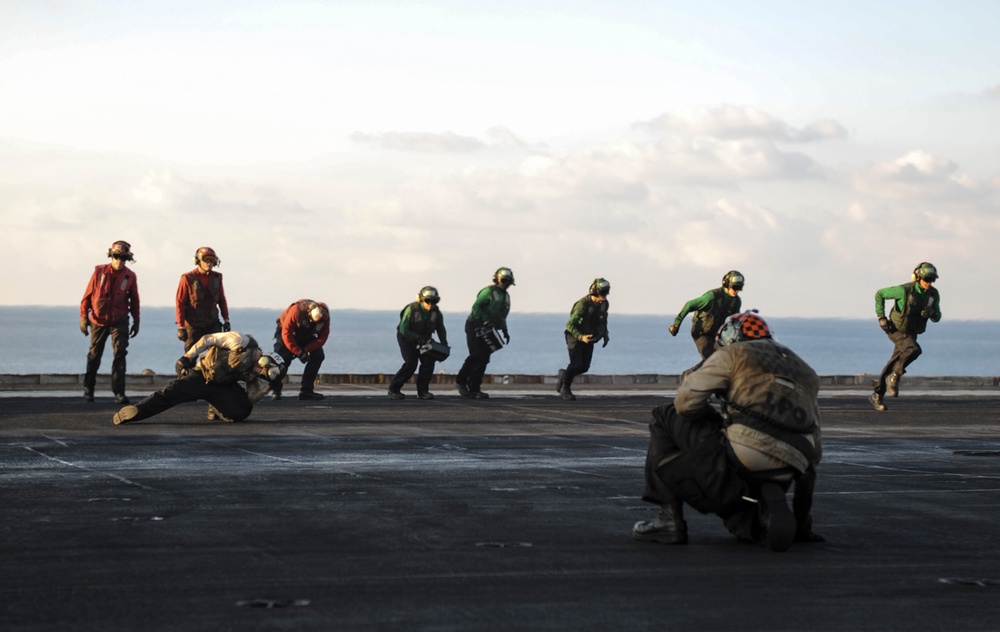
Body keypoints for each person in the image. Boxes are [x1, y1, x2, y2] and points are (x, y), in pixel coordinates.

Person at [633, 310, 824, 552]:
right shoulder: (805, 369)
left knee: (664, 414)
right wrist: (802, 523)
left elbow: (685, 402)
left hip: (747, 453)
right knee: (741, 522)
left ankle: (669, 517)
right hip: (792, 466)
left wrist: (714, 418)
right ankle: (760, 519)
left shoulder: (734, 353)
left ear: (731, 337)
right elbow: (814, 451)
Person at [112, 331, 282, 425]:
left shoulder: (255, 373)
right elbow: (207, 339)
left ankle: (215, 408)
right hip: (202, 375)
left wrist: (263, 389)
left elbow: (249, 398)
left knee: (240, 412)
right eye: (263, 369)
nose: (260, 373)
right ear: (264, 359)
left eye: (264, 374)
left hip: (222, 386)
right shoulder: (240, 341)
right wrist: (187, 357)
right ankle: (135, 412)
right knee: (170, 394)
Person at [869, 262, 942, 412]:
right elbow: (880, 294)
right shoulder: (904, 290)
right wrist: (881, 316)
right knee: (913, 350)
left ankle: (877, 394)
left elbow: (938, 316)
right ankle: (895, 376)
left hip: (911, 332)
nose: (929, 283)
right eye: (926, 279)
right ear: (917, 277)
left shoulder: (933, 295)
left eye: (932, 280)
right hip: (896, 329)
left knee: (895, 360)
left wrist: (932, 313)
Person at [79, 240, 141, 404]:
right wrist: (84, 318)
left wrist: (136, 321)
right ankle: (88, 389)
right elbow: (87, 297)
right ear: (111, 256)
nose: (119, 260)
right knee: (94, 355)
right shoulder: (99, 272)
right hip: (98, 321)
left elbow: (134, 300)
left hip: (119, 320)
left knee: (120, 353)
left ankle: (119, 392)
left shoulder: (130, 277)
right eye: (117, 256)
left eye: (123, 258)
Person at [456, 267, 514, 399]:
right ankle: (461, 381)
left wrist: (505, 331)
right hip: (475, 325)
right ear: (497, 279)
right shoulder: (488, 291)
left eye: (508, 281)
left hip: (490, 329)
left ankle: (475, 388)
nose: (505, 283)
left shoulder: (506, 297)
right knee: (476, 354)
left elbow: (502, 316)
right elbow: (476, 307)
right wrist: (485, 319)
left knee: (484, 358)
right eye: (504, 280)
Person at [388, 286, 449, 400]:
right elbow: (403, 328)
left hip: (424, 340)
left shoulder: (436, 313)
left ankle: (423, 391)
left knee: (428, 362)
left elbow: (441, 329)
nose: (430, 304)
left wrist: (444, 345)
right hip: (406, 338)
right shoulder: (411, 309)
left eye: (434, 301)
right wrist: (416, 337)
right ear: (421, 300)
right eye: (427, 301)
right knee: (411, 363)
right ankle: (394, 389)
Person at [668, 270, 745, 360]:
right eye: (735, 287)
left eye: (739, 288)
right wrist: (676, 324)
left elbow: (736, 321)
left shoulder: (736, 301)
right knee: (711, 360)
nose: (737, 291)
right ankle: (689, 374)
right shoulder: (712, 297)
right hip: (701, 333)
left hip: (716, 334)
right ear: (727, 284)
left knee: (725, 360)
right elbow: (689, 305)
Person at [556, 278, 611, 401]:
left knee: (584, 367)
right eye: (602, 293)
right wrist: (581, 337)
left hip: (589, 337)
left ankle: (565, 374)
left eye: (606, 293)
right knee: (576, 364)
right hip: (574, 336)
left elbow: (603, 320)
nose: (604, 296)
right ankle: (565, 388)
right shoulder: (582, 305)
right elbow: (569, 324)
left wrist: (605, 334)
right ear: (594, 291)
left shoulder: (604, 304)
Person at [272, 299, 331, 400]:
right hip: (286, 333)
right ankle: (276, 390)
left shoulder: (325, 319)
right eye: (312, 320)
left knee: (318, 356)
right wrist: (298, 352)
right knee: (282, 359)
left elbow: (322, 338)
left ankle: (306, 391)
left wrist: (307, 349)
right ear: (309, 313)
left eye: (318, 322)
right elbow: (286, 334)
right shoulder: (296, 311)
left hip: (307, 334)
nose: (313, 322)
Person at [175, 246, 230, 352]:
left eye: (211, 260)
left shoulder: (217, 278)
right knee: (191, 355)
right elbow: (180, 303)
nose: (209, 263)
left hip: (212, 322)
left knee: (218, 353)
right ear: (198, 261)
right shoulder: (187, 278)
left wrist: (226, 320)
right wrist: (181, 326)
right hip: (193, 324)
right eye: (206, 259)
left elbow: (221, 300)